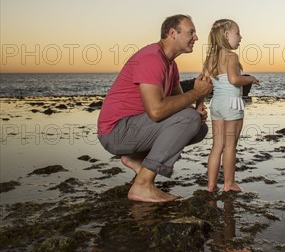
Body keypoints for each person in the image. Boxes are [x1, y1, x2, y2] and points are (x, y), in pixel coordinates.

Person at [97, 14, 213, 203]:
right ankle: (142, 185)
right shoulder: (151, 58)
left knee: (198, 126)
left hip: (135, 127)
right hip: (116, 132)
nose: (196, 38)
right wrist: (193, 94)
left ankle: (136, 159)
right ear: (173, 33)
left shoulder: (171, 64)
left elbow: (178, 104)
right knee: (189, 119)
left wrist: (199, 98)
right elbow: (157, 111)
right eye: (191, 32)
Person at [204, 19, 259, 192]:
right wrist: (250, 79)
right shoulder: (231, 56)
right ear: (226, 35)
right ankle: (229, 183)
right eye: (237, 33)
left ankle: (211, 185)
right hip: (232, 104)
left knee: (216, 146)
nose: (240, 37)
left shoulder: (210, 59)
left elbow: (203, 82)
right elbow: (234, 80)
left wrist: (199, 104)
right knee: (230, 146)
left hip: (216, 104)